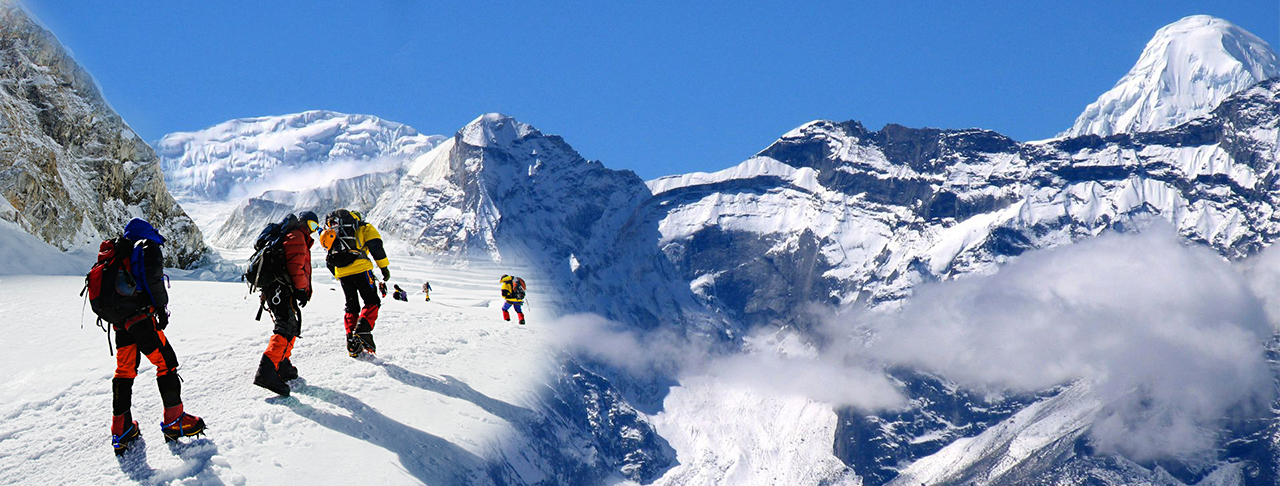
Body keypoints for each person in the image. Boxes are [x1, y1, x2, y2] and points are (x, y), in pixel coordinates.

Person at [109, 218, 205, 454]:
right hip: (141, 320)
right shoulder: (146, 246)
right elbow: (153, 281)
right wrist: (161, 308)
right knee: (167, 363)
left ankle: (120, 430)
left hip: (121, 324)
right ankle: (174, 422)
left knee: (124, 372)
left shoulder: (120, 252)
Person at [252, 211, 318, 397]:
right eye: (311, 225)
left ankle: (282, 363)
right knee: (285, 325)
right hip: (281, 286)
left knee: (291, 324)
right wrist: (301, 289)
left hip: (279, 286)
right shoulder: (296, 235)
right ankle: (267, 370)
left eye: (315, 228)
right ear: (304, 222)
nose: (312, 231)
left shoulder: (294, 235)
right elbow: (296, 265)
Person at [321, 209, 390, 357]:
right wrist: (384, 268)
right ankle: (363, 329)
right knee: (372, 301)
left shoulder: (336, 232)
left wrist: (339, 274)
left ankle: (351, 342)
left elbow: (329, 260)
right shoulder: (363, 227)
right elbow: (376, 247)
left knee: (351, 306)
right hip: (362, 270)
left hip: (343, 273)